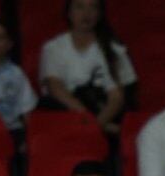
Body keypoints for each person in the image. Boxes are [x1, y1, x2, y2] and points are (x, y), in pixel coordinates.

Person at [38, 0, 136, 134]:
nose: (86, 13)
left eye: (93, 7)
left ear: (99, 14)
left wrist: (96, 125)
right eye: (80, 7)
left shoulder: (113, 49)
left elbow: (116, 97)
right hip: (70, 111)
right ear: (69, 13)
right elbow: (56, 88)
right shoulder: (53, 48)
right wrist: (87, 120)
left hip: (102, 111)